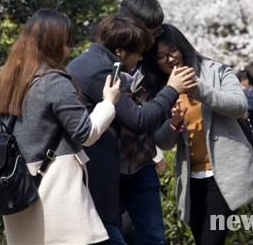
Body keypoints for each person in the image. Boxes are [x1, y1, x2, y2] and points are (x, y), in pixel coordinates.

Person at [0, 8, 122, 245]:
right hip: (57, 191)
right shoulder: (53, 81)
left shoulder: (5, 83)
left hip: (17, 190)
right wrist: (108, 102)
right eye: (66, 43)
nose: (68, 50)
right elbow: (86, 133)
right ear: (54, 44)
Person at [67, 15, 198, 244]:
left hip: (123, 166)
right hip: (99, 169)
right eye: (138, 52)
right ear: (120, 51)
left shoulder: (94, 60)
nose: (139, 59)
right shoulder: (101, 70)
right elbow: (137, 119)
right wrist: (172, 89)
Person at [148, 24, 253, 245]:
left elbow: (239, 105)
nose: (169, 59)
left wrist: (198, 89)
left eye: (172, 50)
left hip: (223, 177)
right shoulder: (165, 90)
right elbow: (162, 142)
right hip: (191, 180)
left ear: (182, 46)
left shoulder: (216, 71)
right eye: (161, 56)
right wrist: (173, 122)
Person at [117, 0, 171, 244]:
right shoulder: (106, 60)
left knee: (153, 237)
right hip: (110, 167)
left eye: (156, 31)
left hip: (142, 163)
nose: (152, 39)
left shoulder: (155, 60)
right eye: (148, 31)